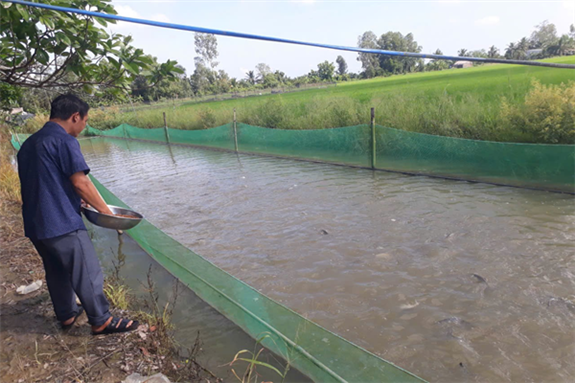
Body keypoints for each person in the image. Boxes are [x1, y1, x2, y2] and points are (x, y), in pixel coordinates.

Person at [17, 94, 138, 335]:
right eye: (85, 120)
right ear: (75, 117)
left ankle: (67, 315)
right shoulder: (64, 141)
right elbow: (81, 182)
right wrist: (107, 213)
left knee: (56, 270)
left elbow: (46, 181)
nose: (85, 125)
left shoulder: (30, 143)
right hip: (61, 222)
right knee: (87, 270)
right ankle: (101, 320)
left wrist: (73, 197)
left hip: (36, 224)